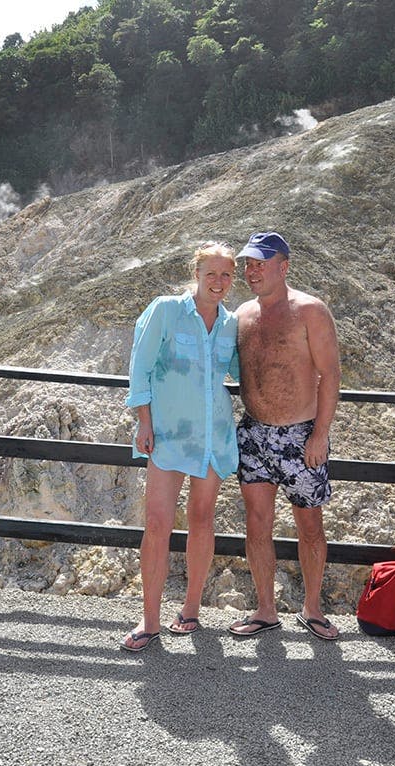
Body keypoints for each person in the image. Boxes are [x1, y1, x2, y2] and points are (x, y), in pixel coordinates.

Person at [120, 241, 241, 652]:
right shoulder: (166, 310)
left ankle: (191, 608)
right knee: (157, 524)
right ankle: (149, 619)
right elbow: (140, 367)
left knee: (202, 518)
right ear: (196, 273)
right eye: (212, 273)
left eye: (226, 274)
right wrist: (144, 422)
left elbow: (246, 369)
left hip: (213, 435)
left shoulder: (230, 324)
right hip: (168, 434)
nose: (219, 282)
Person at [227, 232, 342, 641]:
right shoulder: (241, 314)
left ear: (284, 266)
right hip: (254, 433)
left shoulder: (310, 310)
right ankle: (265, 610)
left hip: (301, 436)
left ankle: (312, 608)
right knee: (256, 524)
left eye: (260, 262)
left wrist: (320, 434)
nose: (251, 270)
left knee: (309, 526)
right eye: (248, 263)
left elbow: (331, 374)